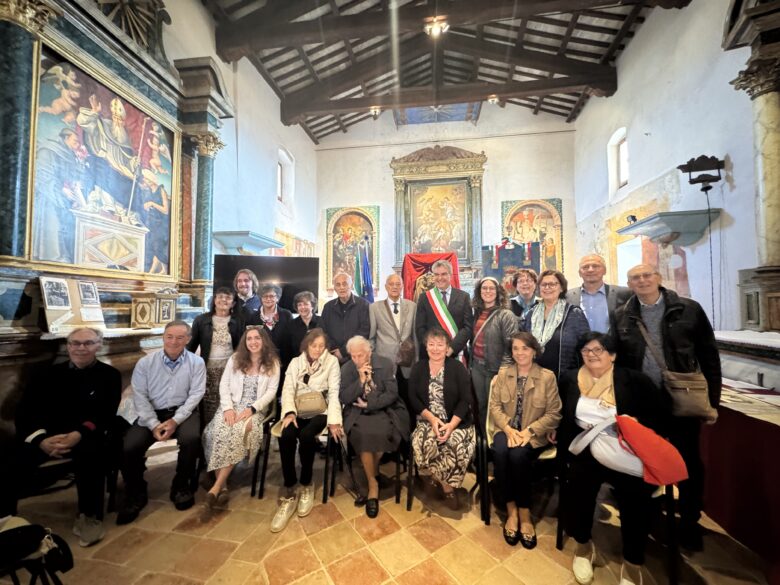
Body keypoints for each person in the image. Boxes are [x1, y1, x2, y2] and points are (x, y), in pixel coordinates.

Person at [611, 264, 721, 551]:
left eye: (647, 275)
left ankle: (690, 519)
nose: (642, 281)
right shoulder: (622, 315)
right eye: (636, 278)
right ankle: (646, 515)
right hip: (643, 402)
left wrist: (713, 400)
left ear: (658, 278)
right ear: (629, 284)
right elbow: (619, 362)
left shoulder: (688, 309)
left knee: (687, 461)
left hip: (681, 398)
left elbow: (709, 355)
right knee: (643, 458)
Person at [556, 332, 669, 585]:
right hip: (585, 447)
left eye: (598, 350)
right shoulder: (570, 379)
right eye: (586, 350)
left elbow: (661, 418)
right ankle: (584, 546)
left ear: (613, 355)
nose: (592, 355)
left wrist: (636, 422)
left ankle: (632, 562)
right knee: (577, 490)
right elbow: (563, 416)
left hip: (625, 449)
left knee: (636, 498)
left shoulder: (635, 381)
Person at [11, 328, 121, 547]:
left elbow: (105, 413)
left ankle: (89, 516)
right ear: (68, 346)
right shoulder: (46, 374)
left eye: (88, 343)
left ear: (98, 346)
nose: (81, 348)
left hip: (85, 434)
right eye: (75, 343)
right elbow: (25, 411)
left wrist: (79, 434)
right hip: (47, 438)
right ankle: (7, 519)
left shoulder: (109, 375)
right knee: (10, 461)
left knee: (93, 455)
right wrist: (41, 440)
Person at [118, 321, 206, 524]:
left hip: (182, 412)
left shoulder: (196, 363)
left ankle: (181, 485)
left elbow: (196, 394)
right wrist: (152, 424)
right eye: (169, 337)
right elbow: (139, 395)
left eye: (180, 337)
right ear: (163, 337)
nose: (174, 341)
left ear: (188, 340)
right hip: (152, 413)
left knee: (191, 439)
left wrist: (175, 421)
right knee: (130, 445)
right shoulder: (145, 363)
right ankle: (136, 491)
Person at [487, 332, 561, 549]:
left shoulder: (547, 377)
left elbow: (554, 413)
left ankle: (525, 513)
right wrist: (508, 429)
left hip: (533, 434)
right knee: (500, 451)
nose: (520, 353)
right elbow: (494, 407)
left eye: (525, 348)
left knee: (518, 456)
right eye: (515, 348)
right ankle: (511, 510)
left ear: (534, 351)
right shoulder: (504, 374)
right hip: (507, 429)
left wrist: (529, 432)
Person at [273, 328, 343, 533]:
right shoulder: (296, 362)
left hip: (320, 409)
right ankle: (290, 487)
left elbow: (334, 392)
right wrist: (289, 413)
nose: (318, 350)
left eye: (321, 346)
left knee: (306, 436)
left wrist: (334, 421)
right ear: (306, 345)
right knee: (286, 435)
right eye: (314, 346)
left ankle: (306, 483)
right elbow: (287, 389)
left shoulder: (332, 362)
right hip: (298, 409)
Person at [202, 326, 279, 508]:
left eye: (257, 338)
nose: (253, 342)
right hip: (231, 406)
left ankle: (216, 487)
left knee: (237, 432)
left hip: (255, 409)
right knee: (215, 432)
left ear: (264, 340)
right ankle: (223, 487)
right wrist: (228, 408)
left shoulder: (272, 362)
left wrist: (252, 409)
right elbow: (224, 385)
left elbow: (271, 392)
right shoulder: (235, 359)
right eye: (249, 339)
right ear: (245, 342)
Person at [339, 336, 409, 518]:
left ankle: (372, 470)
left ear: (369, 352)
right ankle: (373, 484)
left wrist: (370, 404)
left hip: (384, 410)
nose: (356, 359)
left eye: (360, 355)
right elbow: (344, 397)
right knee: (363, 436)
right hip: (358, 414)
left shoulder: (384, 363)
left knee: (385, 433)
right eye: (353, 356)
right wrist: (360, 381)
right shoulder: (347, 368)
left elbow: (392, 393)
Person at [408, 328, 475, 510]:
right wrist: (432, 419)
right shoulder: (418, 367)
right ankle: (446, 487)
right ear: (426, 347)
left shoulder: (458, 368)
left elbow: (465, 399)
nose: (435, 349)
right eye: (431, 344)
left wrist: (451, 425)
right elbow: (412, 397)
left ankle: (437, 479)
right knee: (425, 441)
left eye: (440, 344)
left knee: (454, 444)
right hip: (427, 420)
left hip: (456, 422)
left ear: (447, 347)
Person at [187, 287, 244, 426]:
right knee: (208, 405)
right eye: (220, 297)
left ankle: (225, 433)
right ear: (214, 300)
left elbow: (242, 347)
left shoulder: (238, 321)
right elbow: (191, 347)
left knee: (228, 403)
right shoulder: (201, 320)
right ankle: (206, 434)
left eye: (228, 297)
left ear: (233, 303)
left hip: (230, 370)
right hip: (208, 370)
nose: (223, 300)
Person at [523, 270, 590, 380]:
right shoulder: (531, 314)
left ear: (562, 288)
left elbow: (587, 346)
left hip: (566, 378)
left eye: (552, 284)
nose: (547, 287)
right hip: (535, 378)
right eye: (544, 284)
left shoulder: (574, 313)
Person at [470, 276, 517, 430]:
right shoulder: (477, 313)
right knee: (481, 405)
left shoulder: (506, 315)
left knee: (496, 407)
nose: (488, 291)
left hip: (496, 369)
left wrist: (503, 370)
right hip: (477, 367)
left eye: (492, 288)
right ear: (479, 291)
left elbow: (511, 346)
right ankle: (485, 439)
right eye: (484, 288)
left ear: (498, 292)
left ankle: (496, 440)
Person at [369, 274, 416, 411]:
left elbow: (415, 336)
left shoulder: (412, 306)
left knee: (407, 400)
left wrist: (416, 360)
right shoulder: (375, 308)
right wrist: (373, 361)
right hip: (385, 361)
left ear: (402, 286)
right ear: (386, 287)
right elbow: (371, 337)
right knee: (386, 401)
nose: (395, 287)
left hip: (407, 361)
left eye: (398, 284)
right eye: (391, 284)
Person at [414, 259, 473, 361]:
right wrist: (434, 348)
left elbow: (467, 327)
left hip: (456, 354)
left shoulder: (464, 297)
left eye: (444, 274)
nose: (440, 278)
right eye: (436, 274)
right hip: (432, 355)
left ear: (450, 275)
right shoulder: (424, 298)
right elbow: (420, 328)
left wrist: (452, 348)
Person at [565, 254, 631, 333]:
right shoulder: (567, 296)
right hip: (579, 341)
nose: (590, 270)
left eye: (595, 266)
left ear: (604, 271)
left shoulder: (624, 293)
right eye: (585, 267)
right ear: (579, 273)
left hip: (612, 340)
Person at [320, 273, 370, 365]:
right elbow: (322, 331)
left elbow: (364, 332)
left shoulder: (364, 305)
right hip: (333, 356)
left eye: (345, 284)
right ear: (334, 288)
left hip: (356, 356)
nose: (341, 287)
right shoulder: (328, 307)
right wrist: (334, 350)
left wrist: (343, 351)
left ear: (351, 285)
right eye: (338, 285)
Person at [246, 283, 294, 370]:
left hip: (284, 362)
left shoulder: (286, 315)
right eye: (265, 296)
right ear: (261, 298)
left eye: (271, 296)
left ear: (277, 298)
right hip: (261, 362)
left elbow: (291, 339)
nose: (268, 299)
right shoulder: (253, 317)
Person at [289, 291, 321, 359]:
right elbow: (288, 349)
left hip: (319, 361)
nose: (302, 307)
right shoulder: (291, 324)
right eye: (299, 305)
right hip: (298, 362)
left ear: (312, 306)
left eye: (306, 304)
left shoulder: (322, 322)